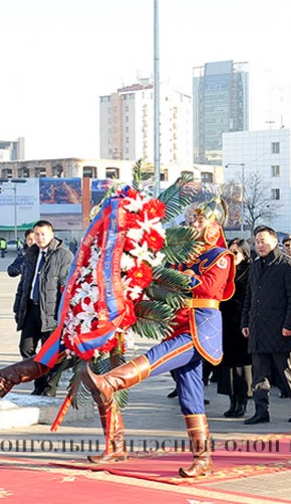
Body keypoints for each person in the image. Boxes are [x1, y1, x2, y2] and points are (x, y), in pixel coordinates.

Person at [81, 199, 236, 477]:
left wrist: (178, 277)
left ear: (213, 226)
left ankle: (111, 382)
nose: (194, 225)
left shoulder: (220, 255)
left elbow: (210, 288)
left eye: (200, 221)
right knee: (190, 396)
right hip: (178, 324)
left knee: (156, 358)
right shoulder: (184, 256)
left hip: (200, 329)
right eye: (193, 220)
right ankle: (202, 458)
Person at [241, 225, 291, 424]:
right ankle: (261, 411)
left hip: (280, 328)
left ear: (274, 241)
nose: (259, 245)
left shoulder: (287, 265)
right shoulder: (255, 265)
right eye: (257, 242)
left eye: (263, 241)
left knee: (287, 369)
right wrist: (245, 321)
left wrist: (290, 325)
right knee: (259, 374)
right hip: (257, 327)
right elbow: (249, 297)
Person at [14, 220, 75, 396]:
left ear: (51, 235)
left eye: (43, 234)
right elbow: (23, 283)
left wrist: (64, 316)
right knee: (26, 348)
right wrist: (18, 307)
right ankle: (39, 384)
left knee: (51, 354)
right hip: (31, 309)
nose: (39, 238)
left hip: (51, 312)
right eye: (37, 234)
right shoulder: (31, 254)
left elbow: (66, 287)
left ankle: (49, 389)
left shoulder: (64, 255)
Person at [217, 238, 253, 418]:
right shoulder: (224, 271)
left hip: (242, 322)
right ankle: (232, 401)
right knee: (227, 366)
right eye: (229, 252)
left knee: (241, 366)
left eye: (235, 253)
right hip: (224, 321)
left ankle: (242, 401)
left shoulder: (250, 271)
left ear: (244, 255)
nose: (232, 256)